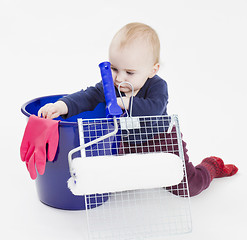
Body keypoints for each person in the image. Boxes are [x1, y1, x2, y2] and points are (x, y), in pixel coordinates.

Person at [38, 22, 238, 196]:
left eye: (130, 72)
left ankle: (212, 166)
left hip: (162, 139)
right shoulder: (111, 86)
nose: (119, 78)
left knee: (188, 187)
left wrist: (123, 102)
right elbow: (87, 96)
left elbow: (154, 108)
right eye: (115, 68)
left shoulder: (158, 85)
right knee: (120, 183)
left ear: (153, 70)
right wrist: (60, 106)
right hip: (126, 143)